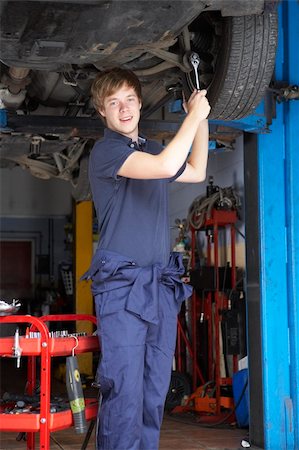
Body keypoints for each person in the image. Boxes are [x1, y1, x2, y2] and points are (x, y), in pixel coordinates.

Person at [84, 67, 210, 450]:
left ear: (140, 103)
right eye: (113, 103)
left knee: (154, 391)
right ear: (102, 112)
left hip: (157, 287)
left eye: (130, 100)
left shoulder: (153, 149)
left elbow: (196, 171)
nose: (124, 110)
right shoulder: (107, 152)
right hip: (122, 288)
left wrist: (200, 116)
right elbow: (166, 167)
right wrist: (191, 118)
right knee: (124, 392)